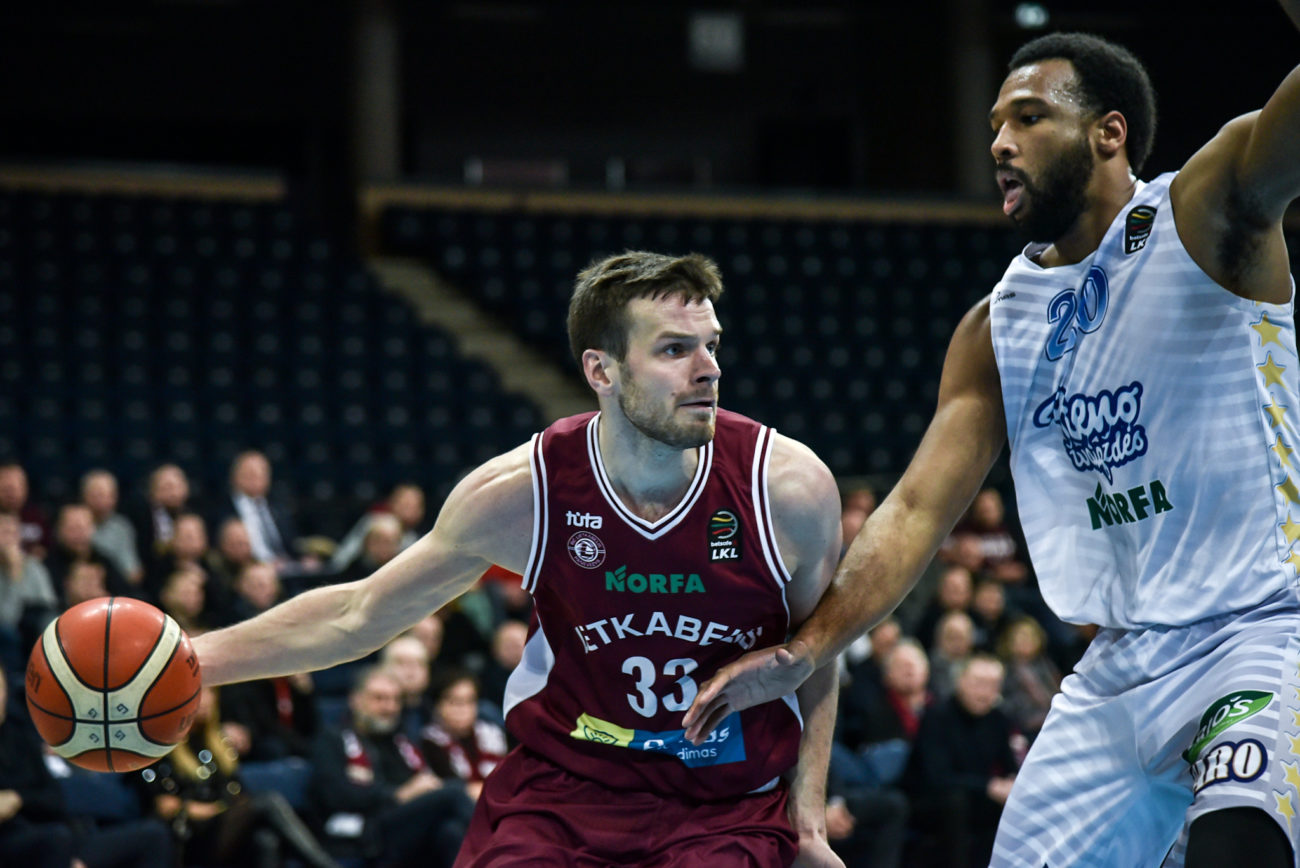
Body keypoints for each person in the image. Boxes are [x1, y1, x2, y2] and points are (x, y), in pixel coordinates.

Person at [686, 14, 1300, 866]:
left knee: (1240, 842)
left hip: (1264, 629)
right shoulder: (999, 324)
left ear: (1109, 133)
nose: (1001, 144)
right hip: (1120, 663)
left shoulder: (1205, 210)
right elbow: (914, 510)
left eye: (1029, 117)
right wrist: (807, 648)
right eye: (994, 126)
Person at [191, 250, 844, 867]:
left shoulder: (785, 489)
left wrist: (809, 820)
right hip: (562, 794)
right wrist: (192, 662)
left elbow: (818, 650)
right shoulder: (524, 493)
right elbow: (356, 614)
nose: (709, 369)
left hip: (725, 803)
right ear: (601, 371)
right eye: (675, 349)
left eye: (712, 345)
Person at [139, 685, 341, 868]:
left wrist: (230, 809)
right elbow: (165, 806)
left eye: (211, 693)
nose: (207, 700)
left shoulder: (217, 744)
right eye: (198, 693)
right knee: (267, 802)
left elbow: (237, 790)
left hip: (226, 830)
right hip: (193, 837)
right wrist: (216, 810)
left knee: (265, 840)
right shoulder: (163, 749)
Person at [309, 667, 475, 868]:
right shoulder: (333, 739)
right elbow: (335, 795)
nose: (390, 707)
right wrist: (397, 794)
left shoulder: (399, 741)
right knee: (454, 793)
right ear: (355, 700)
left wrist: (417, 791)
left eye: (395, 700)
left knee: (451, 831)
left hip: (401, 827)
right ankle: (502, 843)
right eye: (379, 698)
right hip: (365, 830)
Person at [902, 654, 1017, 868]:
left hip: (976, 796)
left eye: (993, 685)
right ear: (960, 681)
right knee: (956, 802)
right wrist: (989, 786)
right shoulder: (937, 716)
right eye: (979, 683)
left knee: (1015, 802)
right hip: (929, 799)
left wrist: (1012, 785)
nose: (985, 692)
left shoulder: (998, 719)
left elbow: (1009, 767)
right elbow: (938, 777)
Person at [80, 469, 143, 586]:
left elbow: (133, 572)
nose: (100, 500)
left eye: (104, 495)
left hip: (115, 585)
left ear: (114, 498)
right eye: (95, 495)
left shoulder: (122, 527)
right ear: (84, 496)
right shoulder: (75, 522)